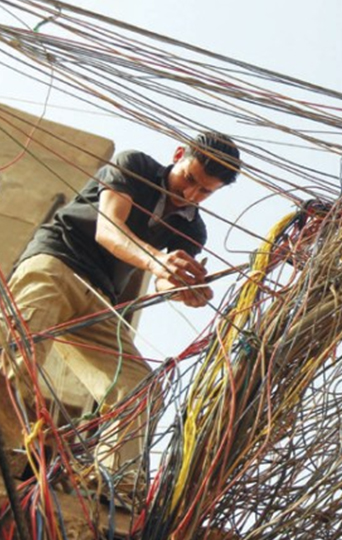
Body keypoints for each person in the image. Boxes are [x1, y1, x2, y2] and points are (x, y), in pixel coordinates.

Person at [0, 131, 240, 502]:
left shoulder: (192, 229)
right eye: (189, 179)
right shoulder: (136, 166)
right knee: (22, 348)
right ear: (179, 154)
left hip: (100, 299)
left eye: (205, 191)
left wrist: (181, 290)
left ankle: (115, 487)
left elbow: (163, 282)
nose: (191, 194)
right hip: (57, 263)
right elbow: (108, 230)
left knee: (138, 388)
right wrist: (159, 261)